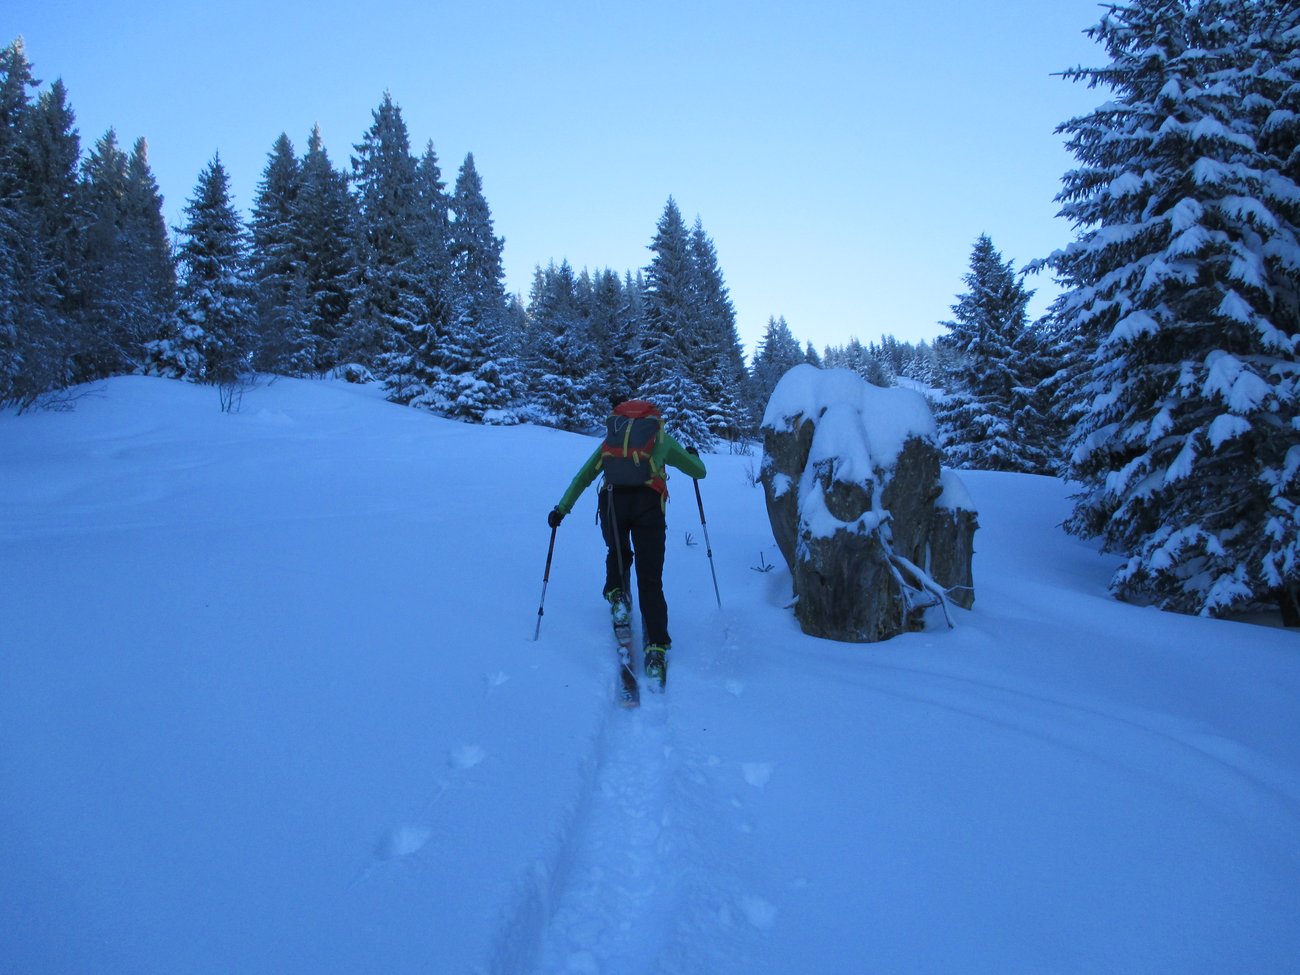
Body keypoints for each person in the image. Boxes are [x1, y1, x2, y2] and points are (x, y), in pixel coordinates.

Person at [547, 398, 707, 686]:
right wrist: (693, 456)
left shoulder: (612, 443)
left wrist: (561, 509)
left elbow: (584, 477)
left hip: (612, 504)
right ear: (653, 419)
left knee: (617, 552)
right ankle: (657, 650)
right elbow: (699, 471)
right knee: (650, 578)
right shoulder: (660, 438)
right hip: (649, 508)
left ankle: (618, 596)